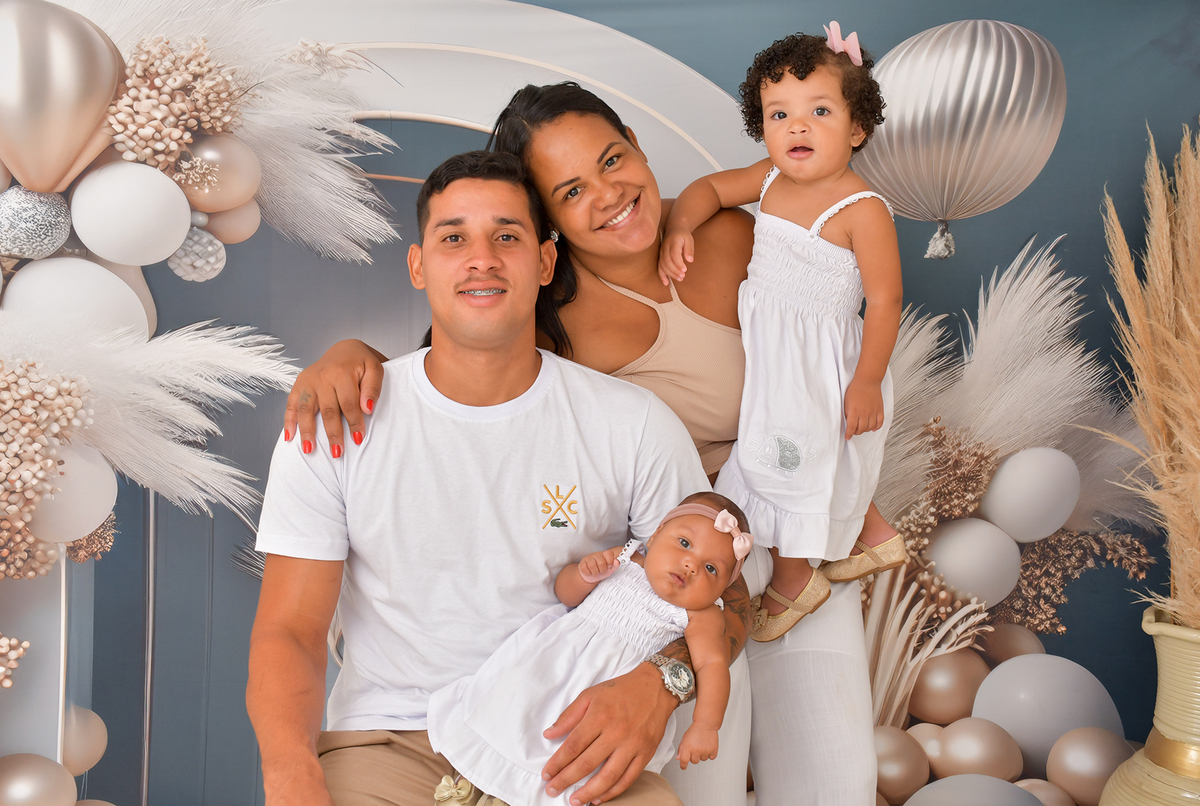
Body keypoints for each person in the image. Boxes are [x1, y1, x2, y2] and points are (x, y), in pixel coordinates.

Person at [284, 77, 878, 804]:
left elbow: (827, 345)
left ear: (636, 145)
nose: (609, 194)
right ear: (548, 228)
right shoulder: (551, 318)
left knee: (832, 775)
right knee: (706, 779)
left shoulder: (731, 236)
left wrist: (844, 489)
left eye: (612, 159)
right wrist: (350, 355)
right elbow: (454, 374)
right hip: (685, 569)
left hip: (796, 541)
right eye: (570, 191)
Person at [246, 150, 725, 806]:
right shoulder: (335, 420)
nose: (483, 260)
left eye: (507, 237)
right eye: (454, 239)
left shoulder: (633, 424)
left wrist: (659, 684)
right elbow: (290, 630)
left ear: (545, 262)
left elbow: (726, 597)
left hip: (566, 750)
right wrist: (290, 775)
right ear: (419, 266)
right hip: (391, 744)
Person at [657, 25, 905, 642]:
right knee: (800, 453)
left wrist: (867, 380)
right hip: (775, 355)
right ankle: (873, 536)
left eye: (819, 112)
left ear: (857, 128)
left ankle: (796, 578)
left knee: (789, 464)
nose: (798, 127)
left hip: (822, 367)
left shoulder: (861, 209)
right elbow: (710, 189)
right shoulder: (770, 177)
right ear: (761, 124)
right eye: (779, 114)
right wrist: (681, 226)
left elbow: (885, 300)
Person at [426, 493, 754, 806]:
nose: (691, 564)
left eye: (711, 569)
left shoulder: (701, 615)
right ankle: (476, 781)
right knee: (515, 712)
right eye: (684, 543)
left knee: (571, 750)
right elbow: (566, 594)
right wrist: (584, 574)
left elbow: (712, 666)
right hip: (553, 662)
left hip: (612, 696)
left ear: (721, 590)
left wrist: (706, 725)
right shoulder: (625, 558)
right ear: (655, 535)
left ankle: (521, 795)